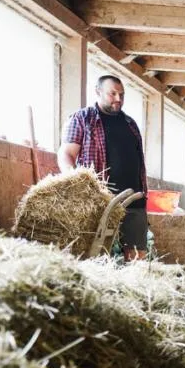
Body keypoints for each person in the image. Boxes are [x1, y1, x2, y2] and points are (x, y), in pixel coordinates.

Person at [59, 75, 148, 261]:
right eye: (112, 94)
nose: (118, 99)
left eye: (121, 95)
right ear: (98, 92)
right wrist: (75, 180)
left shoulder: (131, 124)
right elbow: (66, 153)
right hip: (101, 201)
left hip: (134, 200)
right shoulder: (82, 119)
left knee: (136, 257)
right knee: (96, 255)